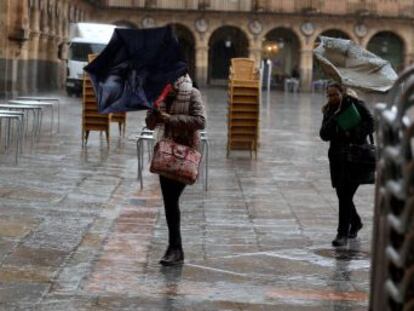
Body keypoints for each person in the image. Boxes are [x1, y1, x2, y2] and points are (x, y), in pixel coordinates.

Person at [145, 74, 206, 265]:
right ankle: (175, 248)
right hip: (165, 154)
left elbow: (200, 120)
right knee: (170, 202)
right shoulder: (159, 96)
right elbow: (150, 124)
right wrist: (154, 113)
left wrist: (170, 119)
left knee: (171, 200)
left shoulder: (192, 93)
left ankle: (175, 248)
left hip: (186, 152)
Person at [319, 82, 374, 247]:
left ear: (342, 93)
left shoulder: (356, 104)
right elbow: (323, 134)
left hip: (355, 157)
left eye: (335, 94)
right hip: (337, 158)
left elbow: (372, 124)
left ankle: (342, 234)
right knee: (343, 195)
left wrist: (353, 131)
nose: (332, 98)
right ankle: (355, 222)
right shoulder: (329, 110)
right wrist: (335, 120)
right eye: (329, 95)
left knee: (345, 195)